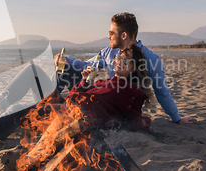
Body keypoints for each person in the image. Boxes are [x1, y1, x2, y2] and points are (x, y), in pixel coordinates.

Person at [0, 44, 152, 149]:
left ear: (135, 68)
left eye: (125, 61)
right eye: (117, 58)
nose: (118, 62)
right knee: (33, 71)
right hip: (69, 108)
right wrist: (84, 81)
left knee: (29, 108)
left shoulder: (130, 89)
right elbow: (74, 95)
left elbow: (128, 116)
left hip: (74, 121)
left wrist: (144, 123)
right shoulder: (109, 81)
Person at [55, 12, 194, 124]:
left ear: (124, 35)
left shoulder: (151, 59)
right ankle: (51, 105)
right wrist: (66, 60)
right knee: (65, 70)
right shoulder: (109, 52)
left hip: (122, 109)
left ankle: (55, 110)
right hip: (107, 99)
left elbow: (162, 92)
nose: (108, 36)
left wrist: (176, 118)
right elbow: (88, 65)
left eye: (111, 33)